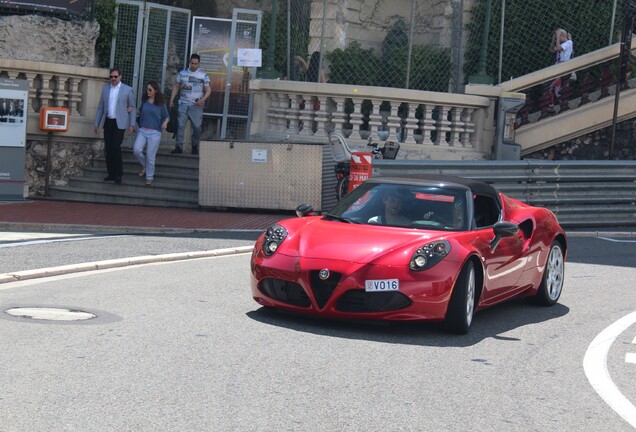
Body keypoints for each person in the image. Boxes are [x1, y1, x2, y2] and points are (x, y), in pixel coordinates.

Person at [93, 67, 136, 184]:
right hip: (108, 121)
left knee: (115, 147)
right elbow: (101, 107)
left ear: (120, 76)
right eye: (111, 77)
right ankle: (111, 173)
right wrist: (96, 123)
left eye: (115, 76)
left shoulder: (127, 90)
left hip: (120, 122)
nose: (113, 79)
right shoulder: (105, 89)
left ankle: (119, 173)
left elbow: (132, 107)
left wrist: (132, 124)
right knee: (108, 148)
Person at [169, 53, 211, 155]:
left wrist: (202, 99)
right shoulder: (182, 74)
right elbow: (176, 86)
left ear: (199, 64)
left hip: (196, 105)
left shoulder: (203, 75)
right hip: (183, 103)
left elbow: (208, 90)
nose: (194, 65)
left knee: (197, 126)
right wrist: (171, 99)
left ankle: (195, 145)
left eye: (196, 63)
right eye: (192, 63)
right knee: (180, 125)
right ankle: (178, 146)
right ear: (189, 62)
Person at [133, 81, 170, 186]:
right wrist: (131, 109)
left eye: (150, 90)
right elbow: (140, 111)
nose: (148, 91)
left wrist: (165, 123)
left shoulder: (161, 104)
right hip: (143, 130)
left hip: (155, 132)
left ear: (155, 91)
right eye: (147, 89)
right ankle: (145, 165)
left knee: (150, 155)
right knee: (136, 150)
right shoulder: (144, 101)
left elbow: (167, 116)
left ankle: (149, 177)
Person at [547, 28, 574, 115]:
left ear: (563, 36)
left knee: (557, 90)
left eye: (559, 37)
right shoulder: (562, 44)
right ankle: (552, 107)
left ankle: (563, 106)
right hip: (558, 68)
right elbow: (552, 49)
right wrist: (554, 39)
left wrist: (558, 38)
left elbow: (558, 48)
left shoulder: (568, 43)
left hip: (562, 68)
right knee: (551, 89)